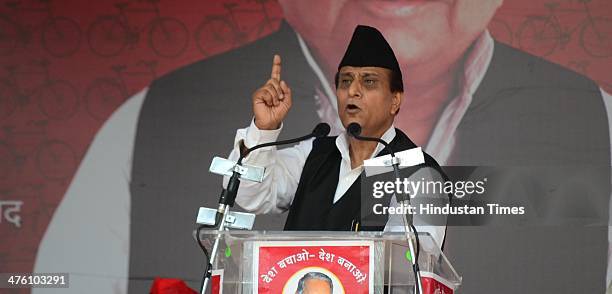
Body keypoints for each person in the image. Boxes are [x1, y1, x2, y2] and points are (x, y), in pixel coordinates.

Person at [34, 0, 611, 293]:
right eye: (346, 82)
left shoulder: (417, 175)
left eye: (369, 84)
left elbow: (410, 272)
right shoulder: (305, 152)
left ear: (395, 101)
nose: (353, 95)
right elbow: (255, 197)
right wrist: (262, 130)